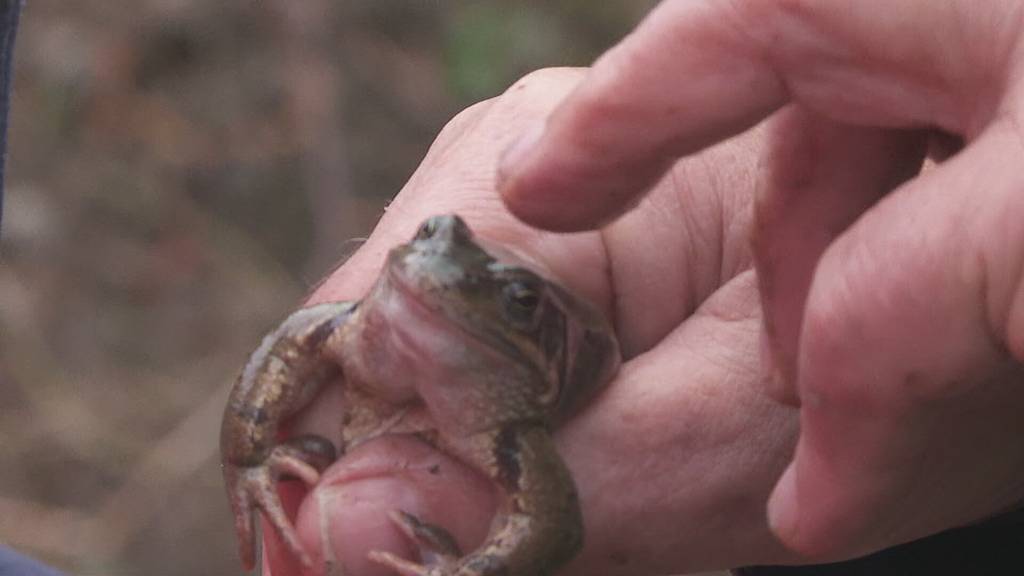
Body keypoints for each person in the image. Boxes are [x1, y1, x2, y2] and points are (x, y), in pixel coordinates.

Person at [268, 2, 1024, 575]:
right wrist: (248, 458)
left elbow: (548, 525)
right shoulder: (357, 330)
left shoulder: (513, 430)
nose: (434, 280)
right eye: (426, 246)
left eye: (510, 299)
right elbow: (288, 347)